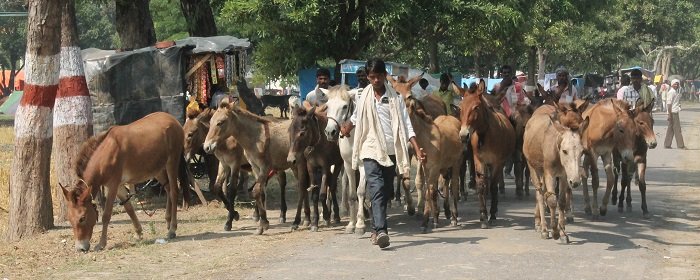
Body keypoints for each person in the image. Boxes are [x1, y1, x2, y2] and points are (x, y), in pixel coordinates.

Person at [341, 58, 426, 249]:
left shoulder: (395, 98)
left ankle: (375, 223)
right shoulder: (364, 96)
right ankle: (381, 231)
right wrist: (347, 126)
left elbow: (406, 125)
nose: (376, 80)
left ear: (384, 76)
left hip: (391, 150)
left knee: (385, 191)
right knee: (377, 186)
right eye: (372, 77)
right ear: (369, 77)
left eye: (379, 76)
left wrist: (417, 148)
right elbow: (356, 117)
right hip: (369, 148)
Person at [664, 79, 685, 149]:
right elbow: (669, 104)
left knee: (671, 129)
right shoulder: (671, 92)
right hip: (673, 113)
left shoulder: (675, 92)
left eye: (677, 84)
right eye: (675, 84)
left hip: (674, 112)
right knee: (677, 129)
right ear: (672, 84)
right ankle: (681, 145)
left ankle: (667, 144)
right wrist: (669, 115)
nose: (676, 85)